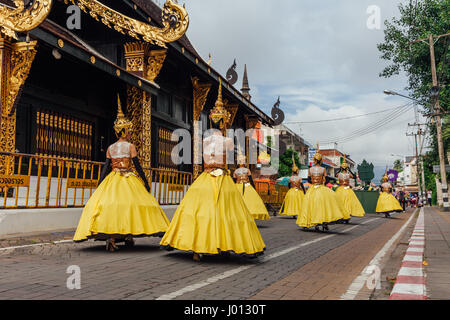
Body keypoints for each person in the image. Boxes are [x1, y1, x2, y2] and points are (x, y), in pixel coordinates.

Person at [160, 80, 265, 261]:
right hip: (222, 178)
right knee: (227, 212)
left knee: (200, 211)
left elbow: (200, 163)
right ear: (224, 122)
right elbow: (230, 162)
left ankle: (196, 246)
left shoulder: (203, 140)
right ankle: (224, 244)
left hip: (205, 178)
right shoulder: (228, 141)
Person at [73, 95, 170, 251]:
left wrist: (99, 184)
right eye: (129, 130)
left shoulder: (111, 147)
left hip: (112, 179)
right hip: (127, 177)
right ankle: (128, 235)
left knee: (112, 208)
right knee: (131, 207)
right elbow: (137, 166)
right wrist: (145, 181)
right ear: (125, 131)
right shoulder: (130, 146)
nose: (130, 133)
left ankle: (114, 238)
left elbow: (105, 167)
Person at [297, 145, 346, 231]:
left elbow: (309, 179)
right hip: (321, 188)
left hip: (312, 189)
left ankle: (314, 222)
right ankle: (324, 222)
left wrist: (313, 183)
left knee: (310, 205)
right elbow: (326, 179)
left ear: (314, 160)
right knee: (324, 206)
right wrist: (323, 184)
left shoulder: (310, 169)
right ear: (321, 160)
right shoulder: (323, 169)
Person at [233, 151, 270, 221]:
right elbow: (251, 180)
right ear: (244, 162)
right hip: (247, 187)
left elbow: (234, 181)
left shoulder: (235, 171)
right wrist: (254, 189)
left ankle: (240, 215)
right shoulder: (247, 170)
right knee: (250, 202)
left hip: (237, 187)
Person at [335, 157, 365, 223]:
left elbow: (335, 174)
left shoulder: (339, 174)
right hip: (347, 189)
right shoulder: (348, 175)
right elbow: (354, 176)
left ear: (341, 168)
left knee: (340, 202)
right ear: (346, 168)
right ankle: (346, 215)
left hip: (340, 189)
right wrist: (349, 170)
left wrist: (339, 170)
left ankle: (342, 215)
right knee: (348, 203)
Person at [278, 154, 306, 218]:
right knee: (299, 202)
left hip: (292, 191)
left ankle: (293, 213)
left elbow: (288, 184)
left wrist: (290, 189)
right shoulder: (299, 178)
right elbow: (301, 185)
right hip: (298, 191)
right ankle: (298, 212)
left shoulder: (291, 178)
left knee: (292, 203)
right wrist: (304, 191)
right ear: (297, 171)